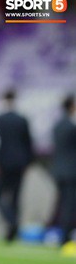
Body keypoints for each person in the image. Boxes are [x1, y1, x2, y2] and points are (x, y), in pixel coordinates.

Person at [0, 89, 33, 242]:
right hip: (19, 164)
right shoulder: (22, 119)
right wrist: (28, 163)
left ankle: (12, 223)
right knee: (15, 197)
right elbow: (28, 143)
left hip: (2, 164)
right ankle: (13, 229)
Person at [51, 95, 76, 249]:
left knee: (63, 204)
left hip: (59, 171)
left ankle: (63, 235)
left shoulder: (57, 125)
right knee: (69, 205)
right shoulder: (72, 127)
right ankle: (65, 237)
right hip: (71, 172)